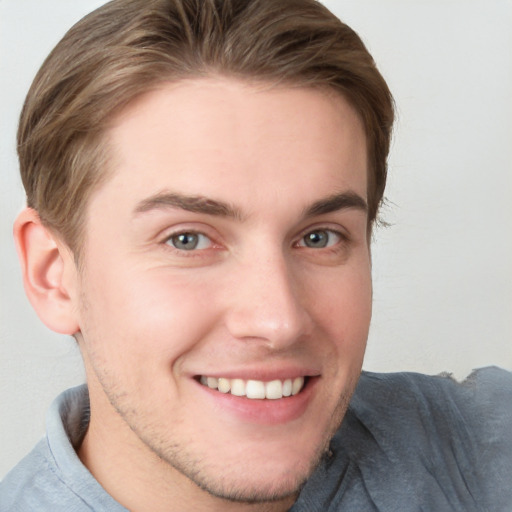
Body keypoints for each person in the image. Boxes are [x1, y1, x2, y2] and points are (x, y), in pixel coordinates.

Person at [1, 0, 511, 511]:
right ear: (54, 275)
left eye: (320, 237)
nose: (278, 321)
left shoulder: (484, 453)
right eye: (188, 239)